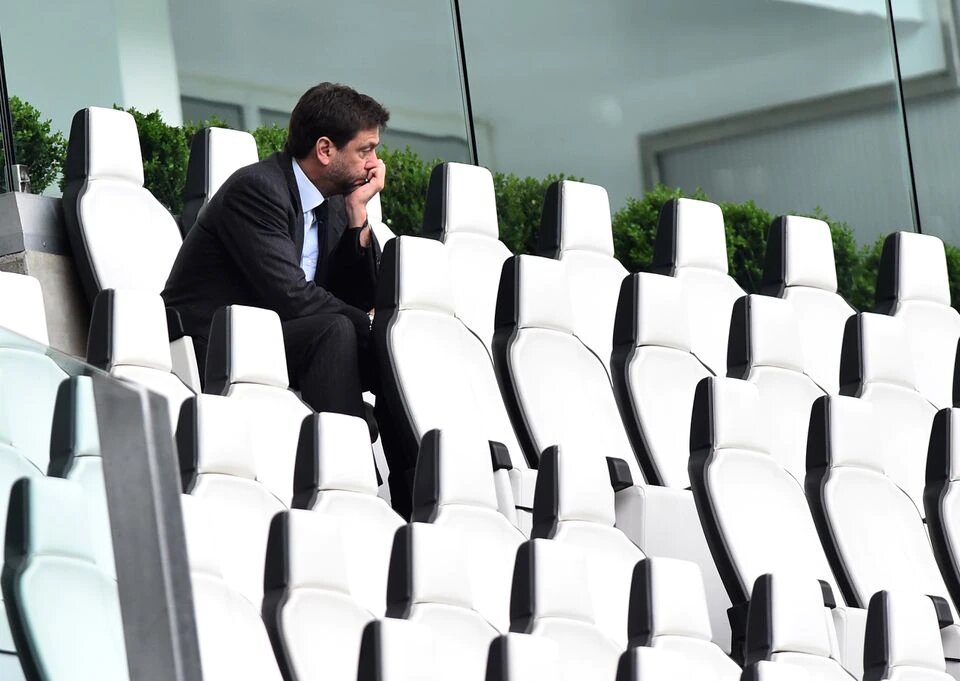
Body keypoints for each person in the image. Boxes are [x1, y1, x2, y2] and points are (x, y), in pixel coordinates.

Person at [162, 82, 389, 420]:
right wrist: (365, 327)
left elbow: (356, 297)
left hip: (274, 337)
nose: (375, 164)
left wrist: (358, 214)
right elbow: (292, 296)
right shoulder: (258, 190)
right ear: (325, 150)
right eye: (365, 151)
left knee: (397, 348)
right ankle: (346, 456)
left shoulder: (335, 206)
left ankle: (412, 466)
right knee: (336, 331)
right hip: (213, 343)